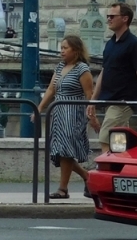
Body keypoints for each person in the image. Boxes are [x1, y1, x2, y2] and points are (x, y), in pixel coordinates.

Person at [86, 1, 137, 147]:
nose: (108, 19)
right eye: (108, 16)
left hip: (123, 101)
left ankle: (106, 168)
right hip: (110, 99)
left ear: (125, 18)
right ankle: (124, 168)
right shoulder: (110, 44)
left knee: (105, 138)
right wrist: (93, 101)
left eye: (112, 16)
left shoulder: (134, 44)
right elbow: (104, 72)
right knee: (119, 142)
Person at [38, 35, 96, 199]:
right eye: (61, 48)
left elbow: (89, 94)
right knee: (61, 150)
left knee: (66, 150)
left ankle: (63, 189)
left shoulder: (82, 69)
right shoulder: (59, 67)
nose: (62, 51)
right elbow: (51, 89)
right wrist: (40, 107)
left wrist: (92, 116)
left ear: (75, 50)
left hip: (73, 113)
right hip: (58, 112)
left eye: (65, 48)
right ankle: (86, 176)